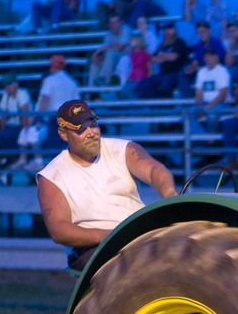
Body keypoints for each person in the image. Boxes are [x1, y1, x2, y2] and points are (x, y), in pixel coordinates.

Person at [37, 100, 176, 270]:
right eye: (80, 129)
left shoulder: (122, 148)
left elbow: (154, 170)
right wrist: (110, 235)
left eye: (93, 125)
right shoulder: (51, 176)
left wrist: (170, 195)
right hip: (92, 247)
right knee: (133, 262)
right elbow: (59, 230)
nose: (91, 133)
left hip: (138, 234)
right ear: (63, 134)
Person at [36, 54, 81, 160]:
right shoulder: (72, 82)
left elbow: (45, 99)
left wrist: (38, 117)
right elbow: (77, 103)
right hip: (70, 118)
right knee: (66, 148)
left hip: (55, 117)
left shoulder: (50, 80)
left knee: (54, 150)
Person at [138, 22, 190, 99]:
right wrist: (165, 57)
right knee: (144, 84)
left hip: (176, 74)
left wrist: (162, 56)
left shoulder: (180, 42)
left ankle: (169, 107)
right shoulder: (162, 45)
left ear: (174, 30)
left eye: (169, 29)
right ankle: (158, 106)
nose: (167, 32)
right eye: (165, 30)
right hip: (162, 75)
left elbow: (173, 57)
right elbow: (153, 59)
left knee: (165, 84)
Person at [0, 73, 33, 168]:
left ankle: (18, 158)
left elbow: (25, 113)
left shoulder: (22, 93)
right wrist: (2, 130)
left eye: (9, 85)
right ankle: (12, 158)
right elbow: (3, 115)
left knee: (10, 136)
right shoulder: (6, 95)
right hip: (12, 126)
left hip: (24, 126)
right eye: (5, 86)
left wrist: (24, 132)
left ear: (16, 84)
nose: (7, 88)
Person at [192, 48, 230, 133]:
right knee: (188, 114)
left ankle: (210, 140)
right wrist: (199, 107)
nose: (208, 58)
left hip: (221, 104)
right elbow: (198, 92)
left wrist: (208, 107)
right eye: (206, 56)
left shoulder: (222, 71)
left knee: (212, 115)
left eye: (210, 56)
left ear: (216, 57)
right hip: (205, 104)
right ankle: (201, 139)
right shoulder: (201, 72)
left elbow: (223, 94)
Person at [89, 15, 131, 87]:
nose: (115, 25)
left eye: (116, 22)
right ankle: (91, 90)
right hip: (111, 60)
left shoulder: (126, 29)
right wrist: (98, 56)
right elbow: (105, 51)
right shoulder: (108, 35)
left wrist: (99, 51)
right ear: (109, 25)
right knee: (95, 63)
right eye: (112, 23)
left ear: (120, 23)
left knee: (111, 53)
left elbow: (120, 47)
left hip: (125, 58)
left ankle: (104, 79)